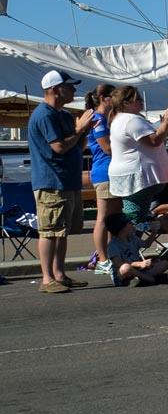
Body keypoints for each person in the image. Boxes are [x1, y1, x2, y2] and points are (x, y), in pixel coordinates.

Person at [29, 70, 98, 294]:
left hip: (67, 181)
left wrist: (84, 131)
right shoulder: (44, 115)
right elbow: (58, 147)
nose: (73, 90)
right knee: (50, 230)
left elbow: (77, 145)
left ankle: (59, 274)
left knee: (63, 230)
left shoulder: (63, 115)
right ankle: (47, 278)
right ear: (55, 89)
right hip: (51, 181)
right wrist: (78, 130)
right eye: (69, 87)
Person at [107, 86, 168, 230]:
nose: (141, 101)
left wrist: (166, 124)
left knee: (135, 216)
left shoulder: (124, 119)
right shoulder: (130, 120)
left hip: (136, 177)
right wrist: (165, 122)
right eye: (137, 99)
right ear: (126, 103)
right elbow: (154, 141)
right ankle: (128, 248)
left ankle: (131, 246)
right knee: (134, 219)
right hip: (137, 178)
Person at [84, 84, 118, 275]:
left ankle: (113, 253)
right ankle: (102, 258)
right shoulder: (98, 120)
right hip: (104, 172)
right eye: (113, 96)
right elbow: (106, 147)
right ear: (104, 97)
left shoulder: (106, 119)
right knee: (103, 217)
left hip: (112, 172)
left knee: (114, 218)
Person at [102, 212, 168, 287]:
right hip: (123, 275)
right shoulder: (113, 245)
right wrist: (139, 264)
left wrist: (154, 232)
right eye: (130, 223)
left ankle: (140, 280)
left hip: (139, 270)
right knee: (125, 268)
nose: (133, 225)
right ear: (122, 228)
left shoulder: (132, 238)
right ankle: (152, 279)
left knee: (164, 263)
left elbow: (146, 244)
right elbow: (118, 263)